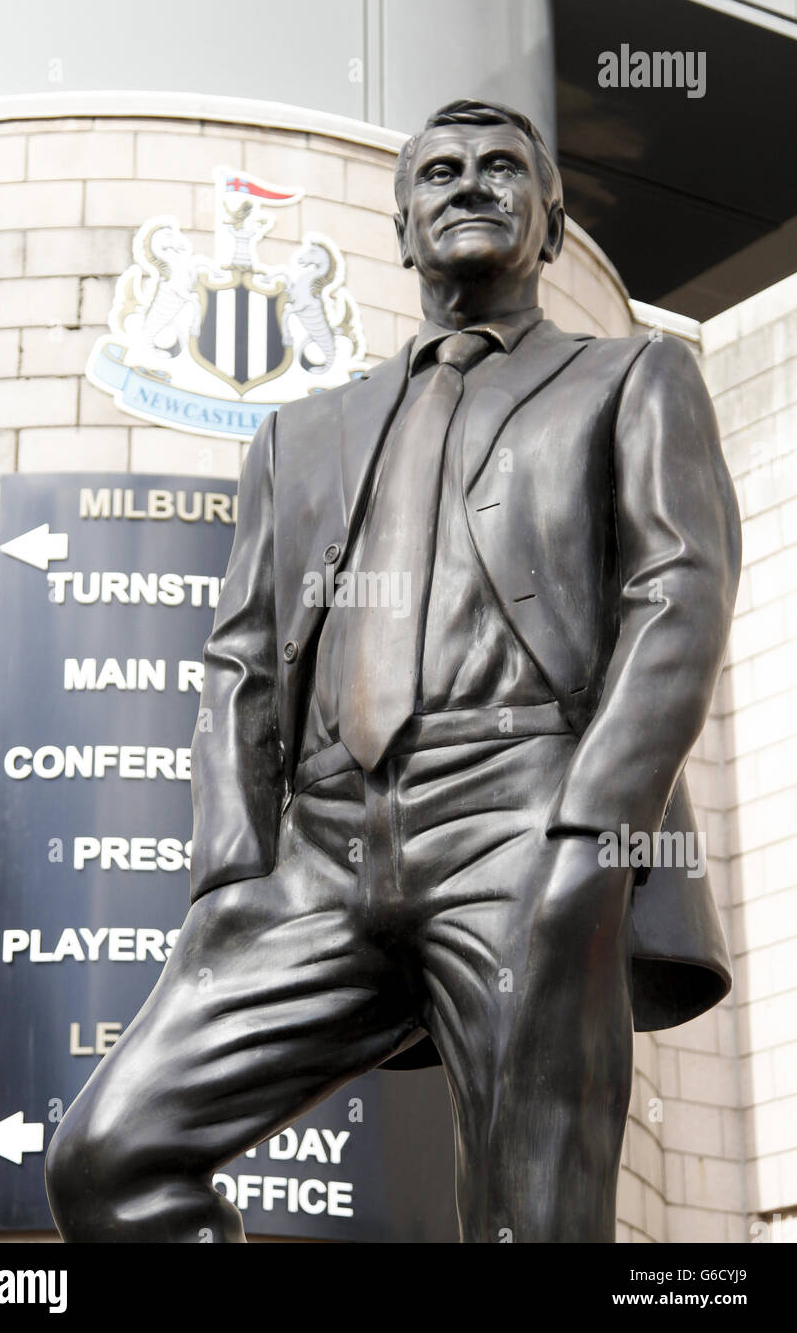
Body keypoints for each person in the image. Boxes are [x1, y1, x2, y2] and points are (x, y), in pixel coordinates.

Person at [46, 98, 741, 1243]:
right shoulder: (298, 435)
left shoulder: (629, 379)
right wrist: (229, 877)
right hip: (313, 859)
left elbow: (676, 599)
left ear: (551, 226)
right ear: (403, 229)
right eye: (440, 174)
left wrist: (590, 836)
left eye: (503, 170)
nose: (469, 185)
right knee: (109, 1160)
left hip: (519, 820)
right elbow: (238, 668)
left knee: (530, 1218)